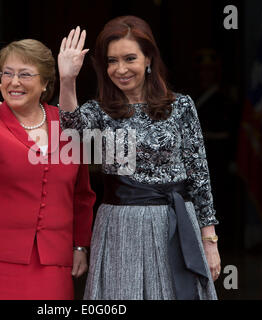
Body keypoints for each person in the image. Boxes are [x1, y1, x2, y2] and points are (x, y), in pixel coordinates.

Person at [57, 16, 221, 300]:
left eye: (129, 58)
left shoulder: (180, 106)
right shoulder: (100, 110)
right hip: (121, 225)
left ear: (148, 59)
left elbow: (199, 176)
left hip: (175, 222)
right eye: (112, 61)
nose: (120, 69)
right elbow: (71, 135)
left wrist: (209, 241)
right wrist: (67, 79)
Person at [0, 39, 96, 300]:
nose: (14, 82)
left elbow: (81, 195)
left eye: (25, 74)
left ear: (45, 83)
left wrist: (80, 245)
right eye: (7, 74)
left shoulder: (66, 122)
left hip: (50, 262)